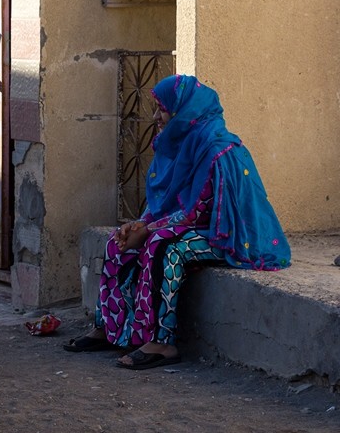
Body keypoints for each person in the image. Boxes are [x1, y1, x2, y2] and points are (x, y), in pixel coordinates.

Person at [64, 74, 290, 369]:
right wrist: (137, 225)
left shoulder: (216, 148)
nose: (156, 116)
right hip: (189, 227)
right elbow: (165, 205)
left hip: (228, 233)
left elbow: (196, 210)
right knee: (117, 243)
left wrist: (147, 231)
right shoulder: (177, 145)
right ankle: (111, 328)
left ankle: (161, 342)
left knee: (162, 246)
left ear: (184, 110)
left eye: (162, 108)